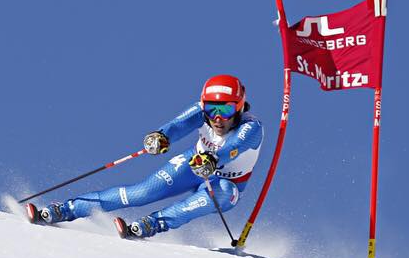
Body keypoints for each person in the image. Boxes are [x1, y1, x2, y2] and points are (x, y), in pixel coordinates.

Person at [25, 74, 264, 238]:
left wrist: (214, 160)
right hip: (194, 164)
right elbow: (177, 126)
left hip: (226, 182)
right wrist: (161, 137)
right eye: (212, 109)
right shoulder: (202, 113)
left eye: (227, 109)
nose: (218, 117)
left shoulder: (251, 128)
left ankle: (154, 223)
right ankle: (66, 209)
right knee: (141, 193)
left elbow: (233, 148)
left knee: (221, 195)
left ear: (240, 107)